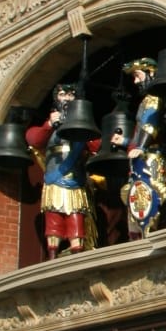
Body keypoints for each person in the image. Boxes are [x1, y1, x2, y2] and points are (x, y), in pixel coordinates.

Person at [26, 84, 101, 258]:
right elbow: (35, 139)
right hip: (54, 179)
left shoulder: (83, 124)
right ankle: (52, 255)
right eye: (62, 94)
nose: (66, 99)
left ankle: (77, 253)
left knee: (76, 217)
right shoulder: (48, 126)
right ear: (56, 98)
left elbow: (96, 145)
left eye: (70, 95)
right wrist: (50, 124)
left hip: (75, 180)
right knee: (53, 219)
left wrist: (84, 124)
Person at [113, 58, 166, 238]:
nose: (135, 81)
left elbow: (150, 126)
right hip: (141, 157)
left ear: (151, 73)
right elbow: (141, 132)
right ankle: (140, 234)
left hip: (151, 157)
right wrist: (124, 141)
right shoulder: (145, 100)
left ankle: (151, 230)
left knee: (152, 193)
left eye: (138, 76)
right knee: (138, 196)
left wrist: (142, 146)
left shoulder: (154, 99)